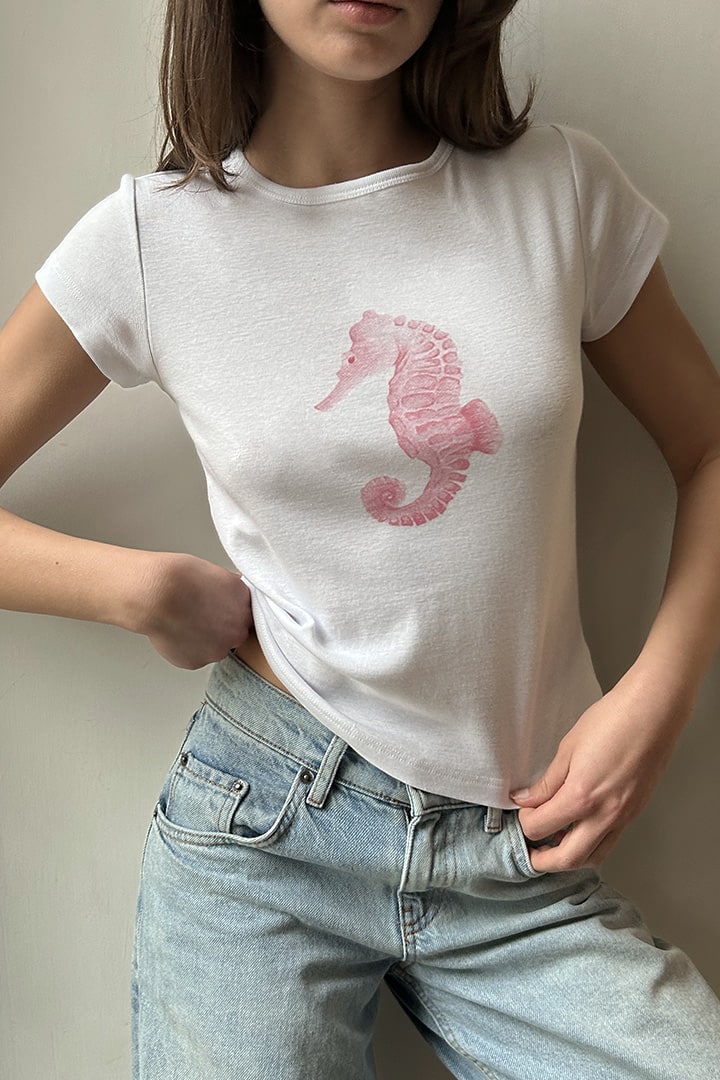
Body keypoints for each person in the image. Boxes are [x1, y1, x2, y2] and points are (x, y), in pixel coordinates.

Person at [2, 0, 720, 1076]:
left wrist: (659, 697)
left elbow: (708, 445)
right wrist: (138, 592)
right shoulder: (151, 239)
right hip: (267, 832)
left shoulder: (560, 188)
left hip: (519, 848)